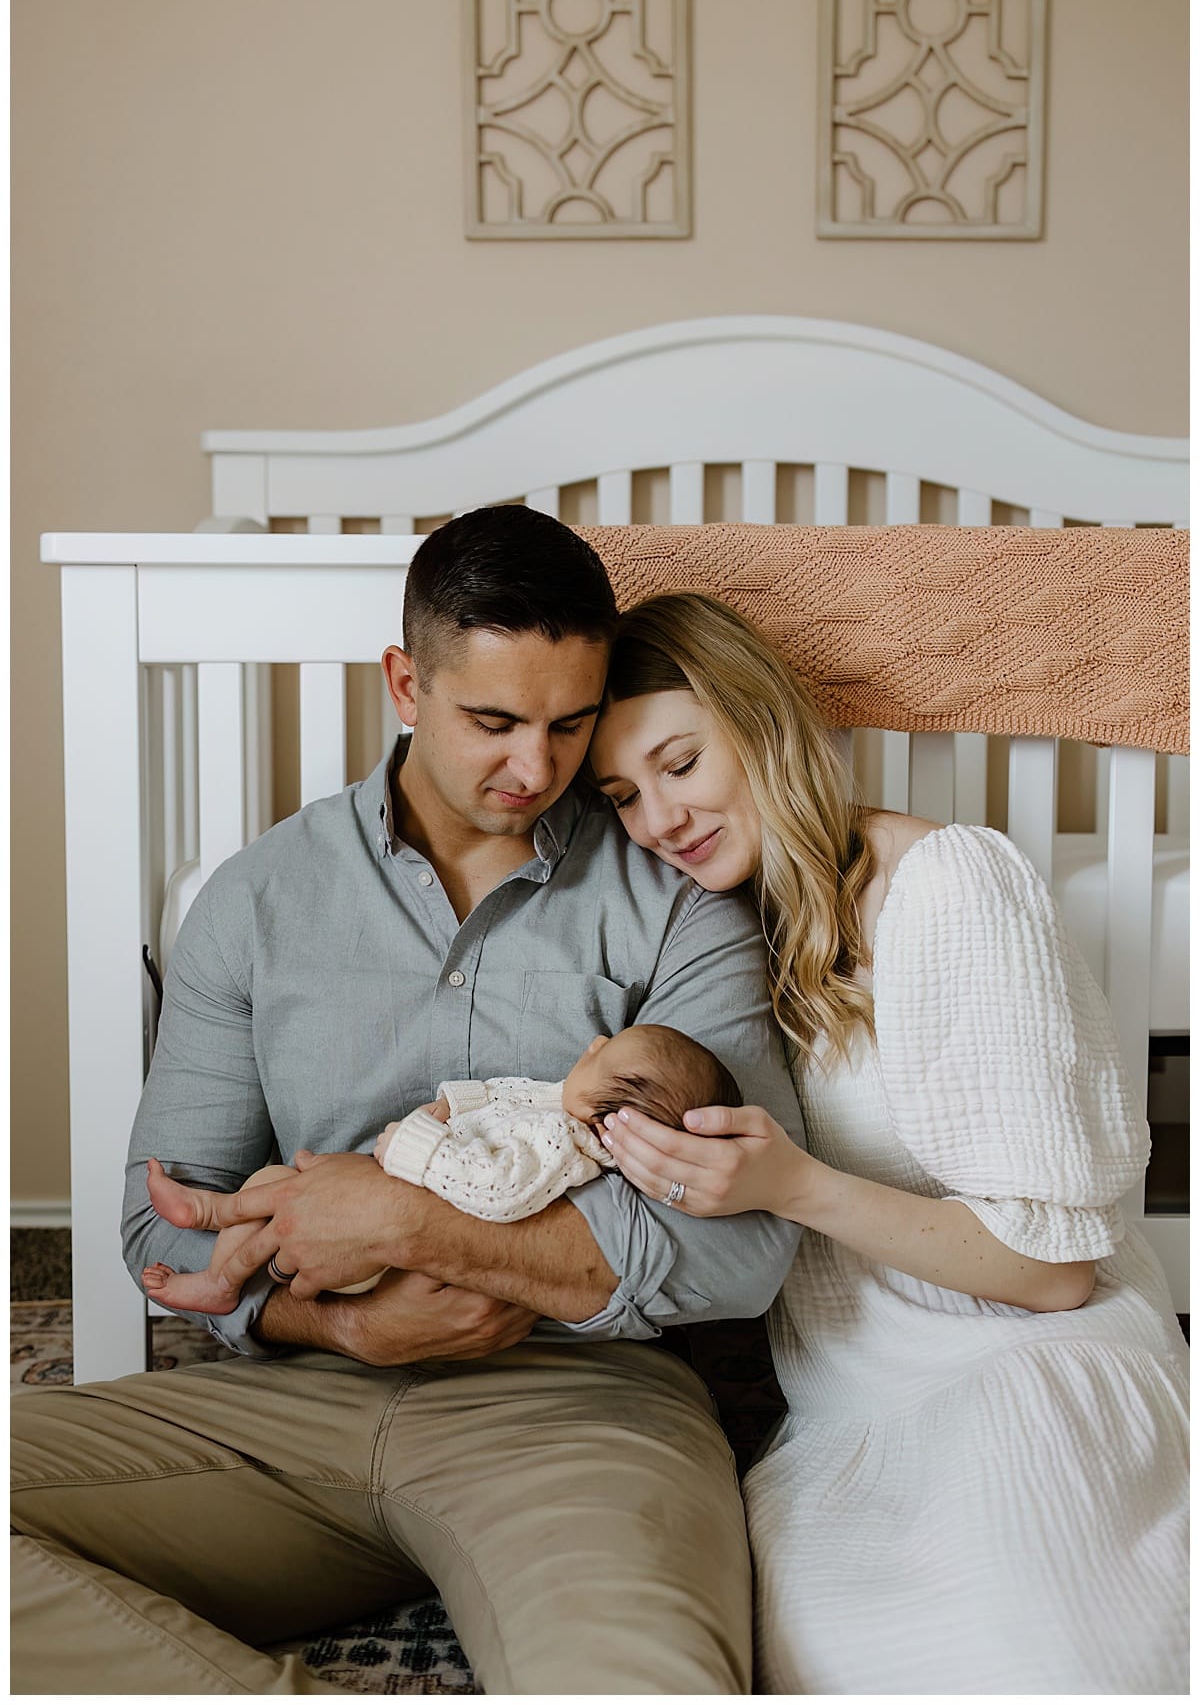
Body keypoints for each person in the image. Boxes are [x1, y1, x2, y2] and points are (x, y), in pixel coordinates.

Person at [10, 513, 805, 1697]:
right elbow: (156, 1213)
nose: (535, 769)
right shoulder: (257, 896)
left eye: (568, 722)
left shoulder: (678, 898)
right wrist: (334, 1326)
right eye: (493, 722)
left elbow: (743, 1249)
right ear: (406, 683)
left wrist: (413, 1226)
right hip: (287, 1404)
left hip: (582, 1404)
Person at [585, 590, 1190, 1696]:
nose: (660, 818)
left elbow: (1053, 1273)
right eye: (623, 795)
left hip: (1027, 1371)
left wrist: (794, 1184)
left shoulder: (950, 885)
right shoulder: (709, 939)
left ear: (761, 725)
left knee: (1024, 1650)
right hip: (846, 1419)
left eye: (682, 762)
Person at [139, 1024, 741, 1313]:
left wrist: (415, 1141)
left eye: (605, 1054)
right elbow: (510, 1094)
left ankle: (219, 1276)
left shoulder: (563, 1147)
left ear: (618, 1115)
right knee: (280, 1187)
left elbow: (497, 1189)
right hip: (379, 1196)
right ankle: (210, 1211)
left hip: (381, 1242)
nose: (593, 1043)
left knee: (278, 1191)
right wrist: (458, 1102)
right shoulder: (565, 1107)